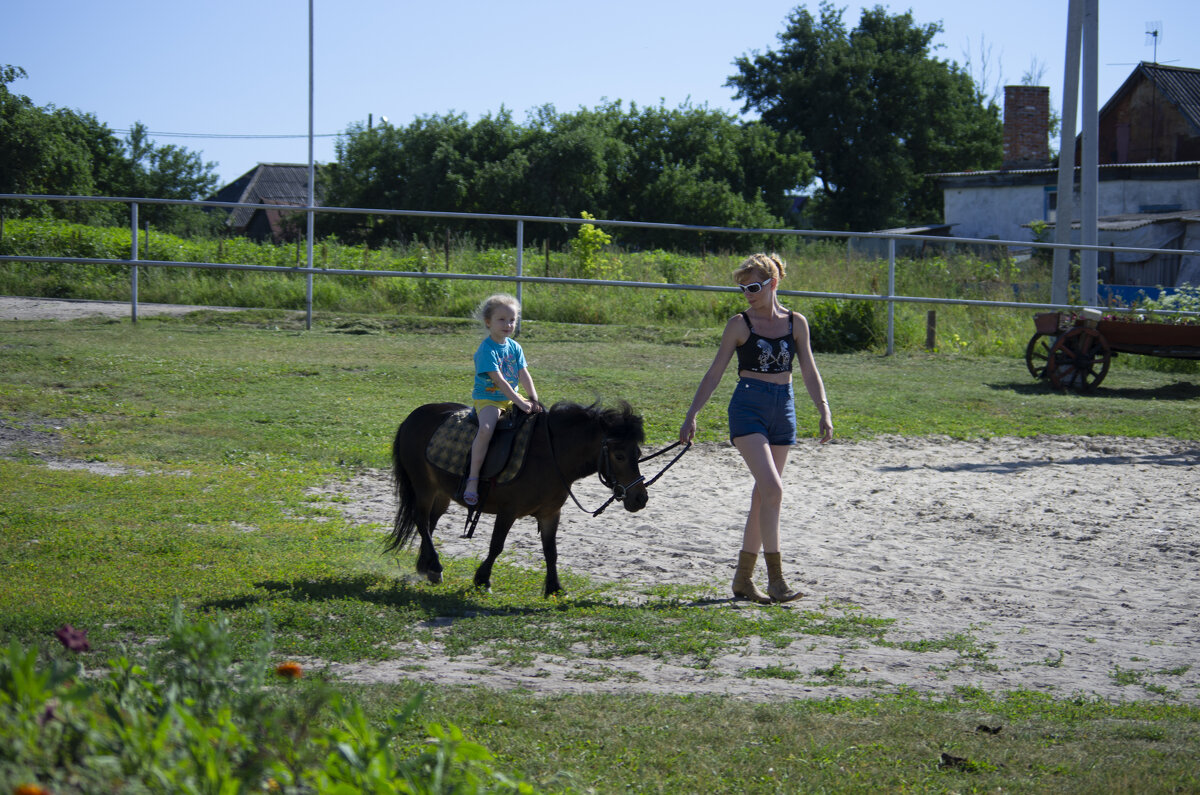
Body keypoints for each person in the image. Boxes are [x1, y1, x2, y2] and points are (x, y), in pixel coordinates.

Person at [679, 253, 833, 603]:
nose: (746, 293)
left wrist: (823, 409)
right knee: (774, 490)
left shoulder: (797, 323)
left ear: (772, 283)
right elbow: (715, 372)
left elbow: (809, 369)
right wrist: (692, 414)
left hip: (785, 406)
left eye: (753, 287)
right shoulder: (739, 324)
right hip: (748, 407)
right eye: (742, 287)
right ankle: (776, 580)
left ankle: (743, 580)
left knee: (764, 495)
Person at [465, 293, 541, 506]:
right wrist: (520, 402)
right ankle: (472, 479)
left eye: (512, 320)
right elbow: (499, 382)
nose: (508, 324)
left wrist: (534, 399)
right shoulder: (486, 350)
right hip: (490, 399)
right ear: (488, 322)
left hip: (512, 397)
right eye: (501, 319)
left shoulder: (515, 347)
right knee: (486, 429)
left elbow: (523, 374)